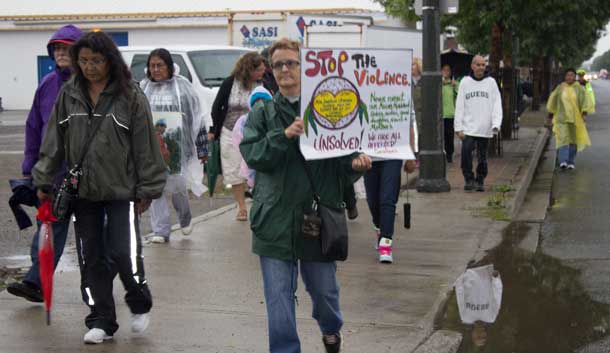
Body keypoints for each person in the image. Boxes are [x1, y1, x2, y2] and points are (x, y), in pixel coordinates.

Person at [32, 31, 167, 344]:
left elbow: (145, 144)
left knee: (124, 253)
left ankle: (138, 301)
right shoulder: (69, 94)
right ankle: (101, 319)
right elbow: (53, 141)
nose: (89, 67)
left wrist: (148, 187)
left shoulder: (130, 95)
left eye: (96, 60)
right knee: (90, 257)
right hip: (84, 193)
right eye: (83, 61)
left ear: (110, 61)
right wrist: (42, 178)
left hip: (122, 191)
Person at [239, 38, 372, 353]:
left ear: (305, 67)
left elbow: (344, 161)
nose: (284, 69)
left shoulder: (328, 108)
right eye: (278, 64)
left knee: (325, 293)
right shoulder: (263, 112)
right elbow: (253, 154)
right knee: (279, 300)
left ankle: (331, 329)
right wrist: (283, 136)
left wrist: (356, 165)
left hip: (317, 218)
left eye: (291, 63)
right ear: (271, 71)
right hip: (274, 221)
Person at [7, 24, 83, 303]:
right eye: (58, 48)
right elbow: (33, 127)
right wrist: (30, 168)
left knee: (91, 236)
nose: (61, 53)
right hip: (51, 174)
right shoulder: (47, 84)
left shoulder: (88, 85)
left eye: (67, 48)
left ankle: (97, 289)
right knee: (49, 226)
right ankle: (35, 281)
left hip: (83, 174)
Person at [140, 48, 208, 243]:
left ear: (169, 67)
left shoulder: (184, 88)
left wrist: (202, 148)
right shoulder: (143, 87)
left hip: (178, 147)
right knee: (155, 188)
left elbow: (198, 117)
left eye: (159, 65)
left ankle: (185, 218)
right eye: (152, 66)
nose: (155, 69)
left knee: (178, 187)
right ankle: (161, 230)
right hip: (150, 148)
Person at [210, 52, 266, 221]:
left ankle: (259, 202)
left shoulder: (263, 84)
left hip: (254, 133)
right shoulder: (230, 83)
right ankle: (241, 207)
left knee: (256, 168)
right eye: (259, 70)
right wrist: (214, 129)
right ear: (249, 69)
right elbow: (217, 107)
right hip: (229, 131)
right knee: (233, 170)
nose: (262, 73)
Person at [454, 55, 502, 192]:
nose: (481, 67)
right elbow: (460, 105)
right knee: (466, 153)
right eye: (478, 64)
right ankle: (469, 179)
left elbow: (497, 104)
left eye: (483, 65)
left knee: (482, 156)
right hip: (468, 127)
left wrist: (496, 124)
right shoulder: (465, 82)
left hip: (484, 127)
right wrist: (458, 127)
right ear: (472, 66)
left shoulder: (491, 83)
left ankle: (480, 179)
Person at [547, 68, 591, 170]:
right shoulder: (560, 88)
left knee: (573, 140)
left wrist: (584, 114)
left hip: (575, 119)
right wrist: (550, 115)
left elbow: (584, 101)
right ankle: (563, 161)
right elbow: (553, 101)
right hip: (561, 119)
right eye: (567, 75)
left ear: (574, 77)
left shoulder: (579, 88)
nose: (569, 77)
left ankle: (571, 161)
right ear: (565, 77)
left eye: (571, 75)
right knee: (562, 139)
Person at [232, 86, 274, 188]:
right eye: (256, 102)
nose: (260, 105)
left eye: (263, 101)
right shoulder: (244, 120)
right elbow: (239, 140)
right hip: (253, 162)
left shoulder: (274, 117)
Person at [442, 64, 459, 163]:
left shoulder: (454, 83)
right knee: (441, 136)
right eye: (444, 70)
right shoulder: (439, 82)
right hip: (440, 114)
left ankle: (449, 154)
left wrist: (455, 85)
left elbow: (459, 93)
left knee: (449, 135)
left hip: (450, 113)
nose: (446, 72)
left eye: (448, 70)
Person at [412, 57, 423, 152]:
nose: (411, 67)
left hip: (421, 113)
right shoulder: (407, 80)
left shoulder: (424, 80)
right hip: (411, 111)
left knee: (421, 135)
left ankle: (419, 155)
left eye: (413, 64)